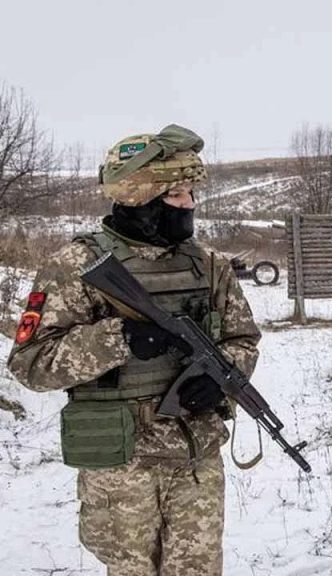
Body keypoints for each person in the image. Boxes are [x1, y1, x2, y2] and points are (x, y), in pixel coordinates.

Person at [6, 124, 261, 575]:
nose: (191, 205)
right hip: (122, 464)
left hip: (195, 458)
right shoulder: (76, 267)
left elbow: (242, 339)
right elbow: (30, 364)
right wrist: (117, 339)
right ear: (142, 199)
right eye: (178, 195)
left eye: (190, 193)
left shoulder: (209, 264)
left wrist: (219, 379)